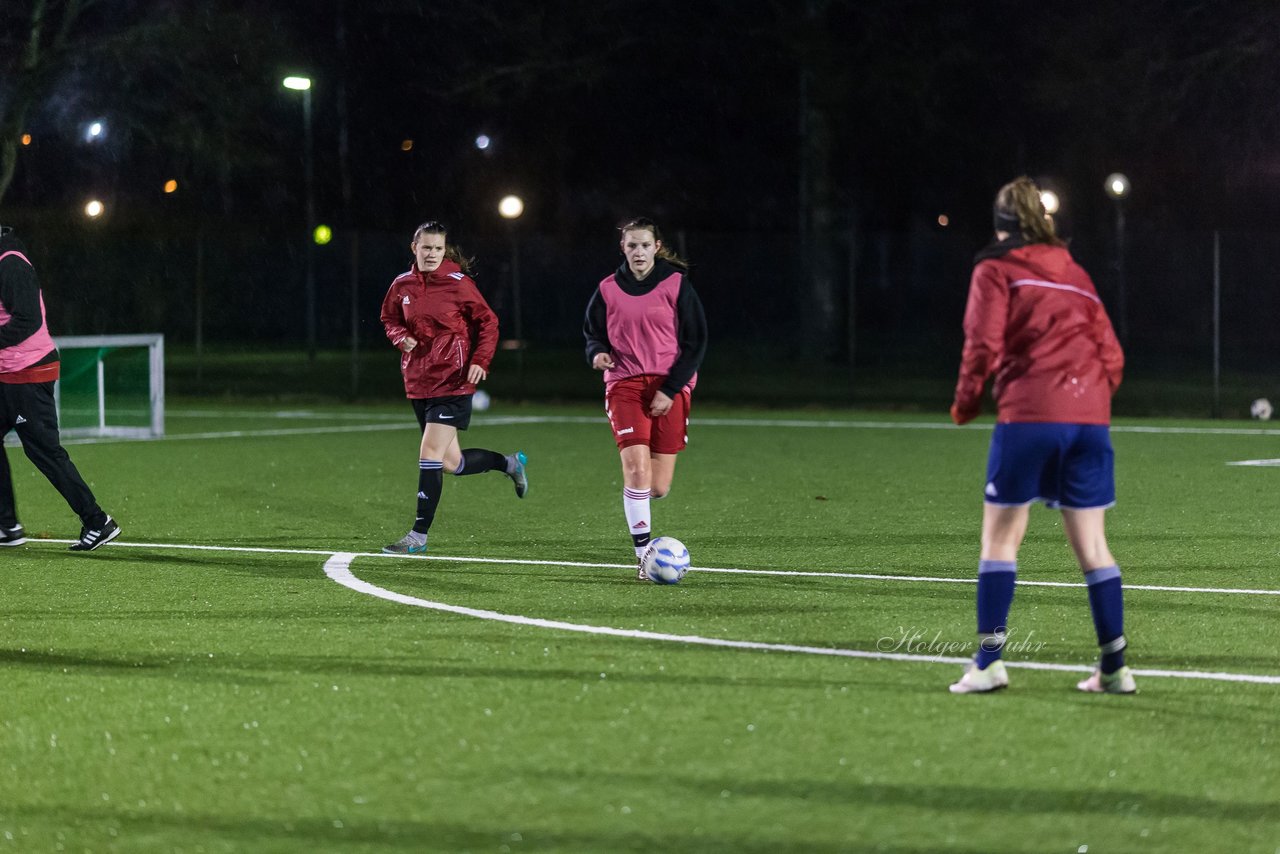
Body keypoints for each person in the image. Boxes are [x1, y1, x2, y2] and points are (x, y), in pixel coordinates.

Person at [948, 177, 1133, 695]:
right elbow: (1112, 356)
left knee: (1001, 540)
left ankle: (988, 664)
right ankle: (1115, 669)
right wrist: (1090, 400)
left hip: (1030, 416)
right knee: (1095, 547)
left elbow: (981, 343)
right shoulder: (1075, 272)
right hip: (1089, 421)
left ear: (999, 223)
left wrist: (966, 404)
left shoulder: (995, 267)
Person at [379, 220, 528, 555]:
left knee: (429, 453)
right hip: (418, 380)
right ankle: (509, 464)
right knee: (452, 463)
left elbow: (488, 321)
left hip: (455, 379)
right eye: (426, 247)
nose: (431, 254)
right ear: (413, 248)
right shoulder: (401, 284)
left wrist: (480, 360)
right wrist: (399, 337)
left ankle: (418, 535)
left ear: (444, 251)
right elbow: (389, 318)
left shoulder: (458, 283)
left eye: (438, 249)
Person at [583, 217, 708, 579]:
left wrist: (671, 390)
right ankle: (643, 556)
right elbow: (592, 332)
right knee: (636, 470)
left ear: (657, 247)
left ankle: (637, 504)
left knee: (657, 486)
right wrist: (596, 353)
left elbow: (695, 342)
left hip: (670, 384)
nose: (638, 251)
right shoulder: (607, 289)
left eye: (644, 245)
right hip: (624, 383)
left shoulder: (675, 284)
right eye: (631, 245)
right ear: (623, 248)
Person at [0, 224, 120, 551]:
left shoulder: (10, 263)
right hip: (8, 372)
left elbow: (27, 321)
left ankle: (98, 521)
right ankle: (7, 525)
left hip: (29, 372)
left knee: (45, 453)